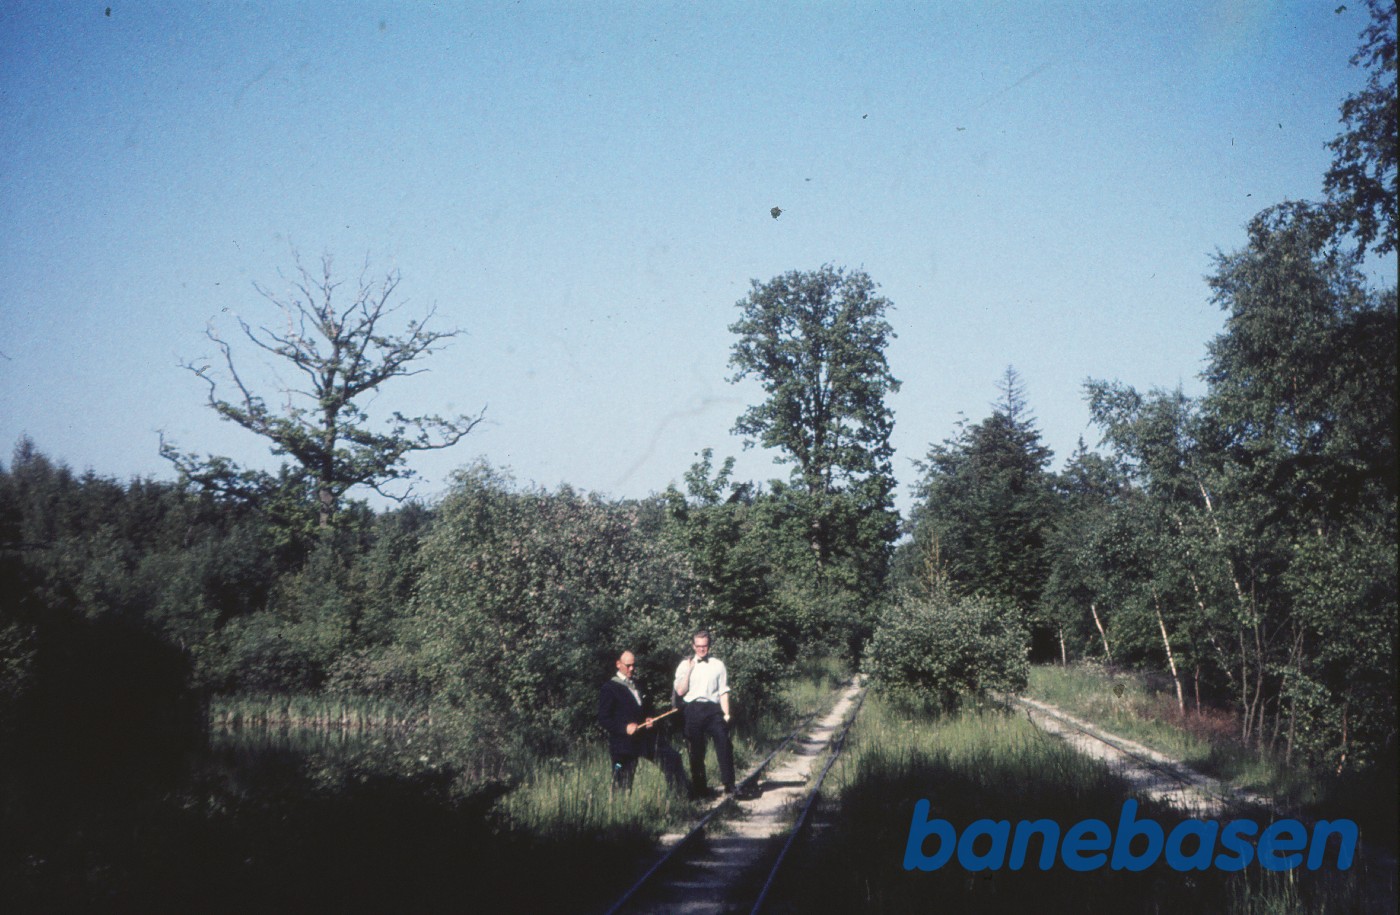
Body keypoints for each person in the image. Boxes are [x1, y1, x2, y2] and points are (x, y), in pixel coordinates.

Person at [597, 650, 686, 794]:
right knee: (622, 781)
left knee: (672, 758)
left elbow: (647, 708)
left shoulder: (638, 684)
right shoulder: (609, 688)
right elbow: (604, 718)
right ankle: (621, 812)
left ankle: (681, 798)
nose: (632, 668)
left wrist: (649, 718)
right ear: (618, 664)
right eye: (628, 665)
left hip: (645, 737)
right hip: (624, 743)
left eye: (633, 665)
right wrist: (624, 728)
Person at [673, 629, 746, 798]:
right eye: (698, 646)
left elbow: (723, 691)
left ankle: (729, 784)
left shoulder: (718, 665)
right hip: (693, 709)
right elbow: (680, 691)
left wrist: (726, 714)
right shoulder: (685, 665)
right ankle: (700, 789)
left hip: (713, 710)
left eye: (704, 646)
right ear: (693, 646)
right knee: (696, 750)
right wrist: (690, 669)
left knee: (724, 742)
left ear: (709, 646)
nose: (701, 649)